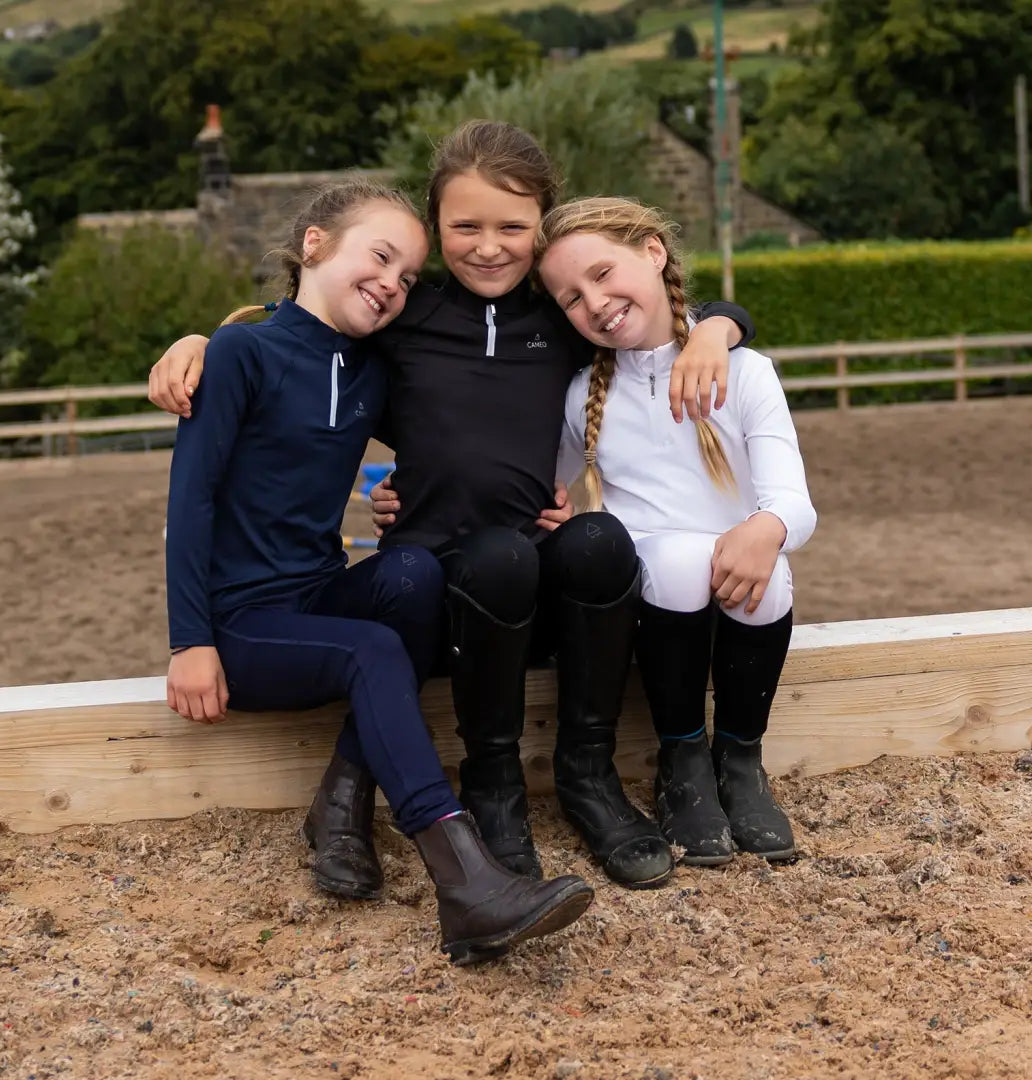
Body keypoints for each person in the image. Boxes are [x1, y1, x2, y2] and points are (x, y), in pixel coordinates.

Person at [150, 121, 754, 891]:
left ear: (543, 227)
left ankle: (589, 779)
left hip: (534, 599)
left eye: (511, 227)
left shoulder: (560, 319)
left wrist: (717, 329)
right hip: (443, 601)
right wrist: (201, 343)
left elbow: (649, 313)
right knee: (478, 560)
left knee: (599, 541)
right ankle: (493, 786)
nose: (488, 245)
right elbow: (307, 332)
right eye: (465, 226)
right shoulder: (404, 324)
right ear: (439, 230)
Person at [164, 177, 593, 965]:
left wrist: (538, 488)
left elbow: (466, 425)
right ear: (315, 245)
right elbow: (189, 503)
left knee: (415, 574)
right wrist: (189, 640)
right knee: (374, 650)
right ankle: (465, 883)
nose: (392, 285)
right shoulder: (239, 353)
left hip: (318, 589)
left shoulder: (369, 370)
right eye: (381, 257)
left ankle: (342, 801)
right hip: (241, 624)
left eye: (405, 276)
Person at [535, 196, 817, 866]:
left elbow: (795, 503)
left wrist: (766, 527)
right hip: (656, 599)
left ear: (653, 252)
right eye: (572, 297)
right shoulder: (583, 395)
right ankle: (682, 754)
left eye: (603, 273)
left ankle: (740, 757)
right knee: (684, 559)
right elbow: (539, 482)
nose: (595, 302)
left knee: (769, 567)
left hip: (741, 586)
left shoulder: (746, 372)